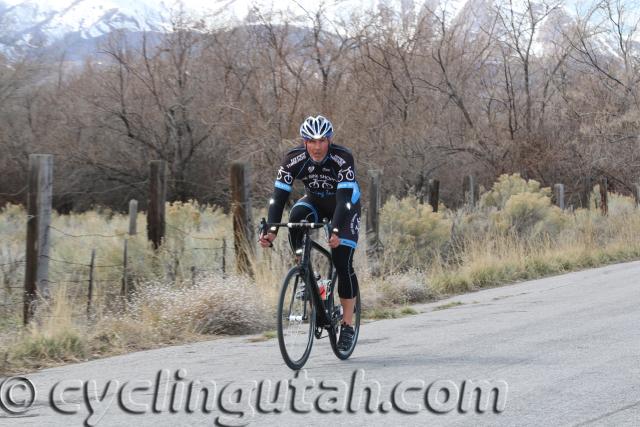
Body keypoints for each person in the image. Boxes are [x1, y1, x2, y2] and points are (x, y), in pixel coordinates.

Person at [259, 115, 361, 352]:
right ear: (304, 142)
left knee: (342, 260)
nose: (317, 147)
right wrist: (272, 229)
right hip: (314, 201)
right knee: (296, 219)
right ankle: (308, 275)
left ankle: (347, 325)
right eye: (311, 141)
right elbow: (279, 196)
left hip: (344, 206)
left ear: (329, 140)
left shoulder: (342, 157)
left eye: (322, 141)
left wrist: (334, 231)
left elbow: (344, 199)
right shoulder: (293, 159)